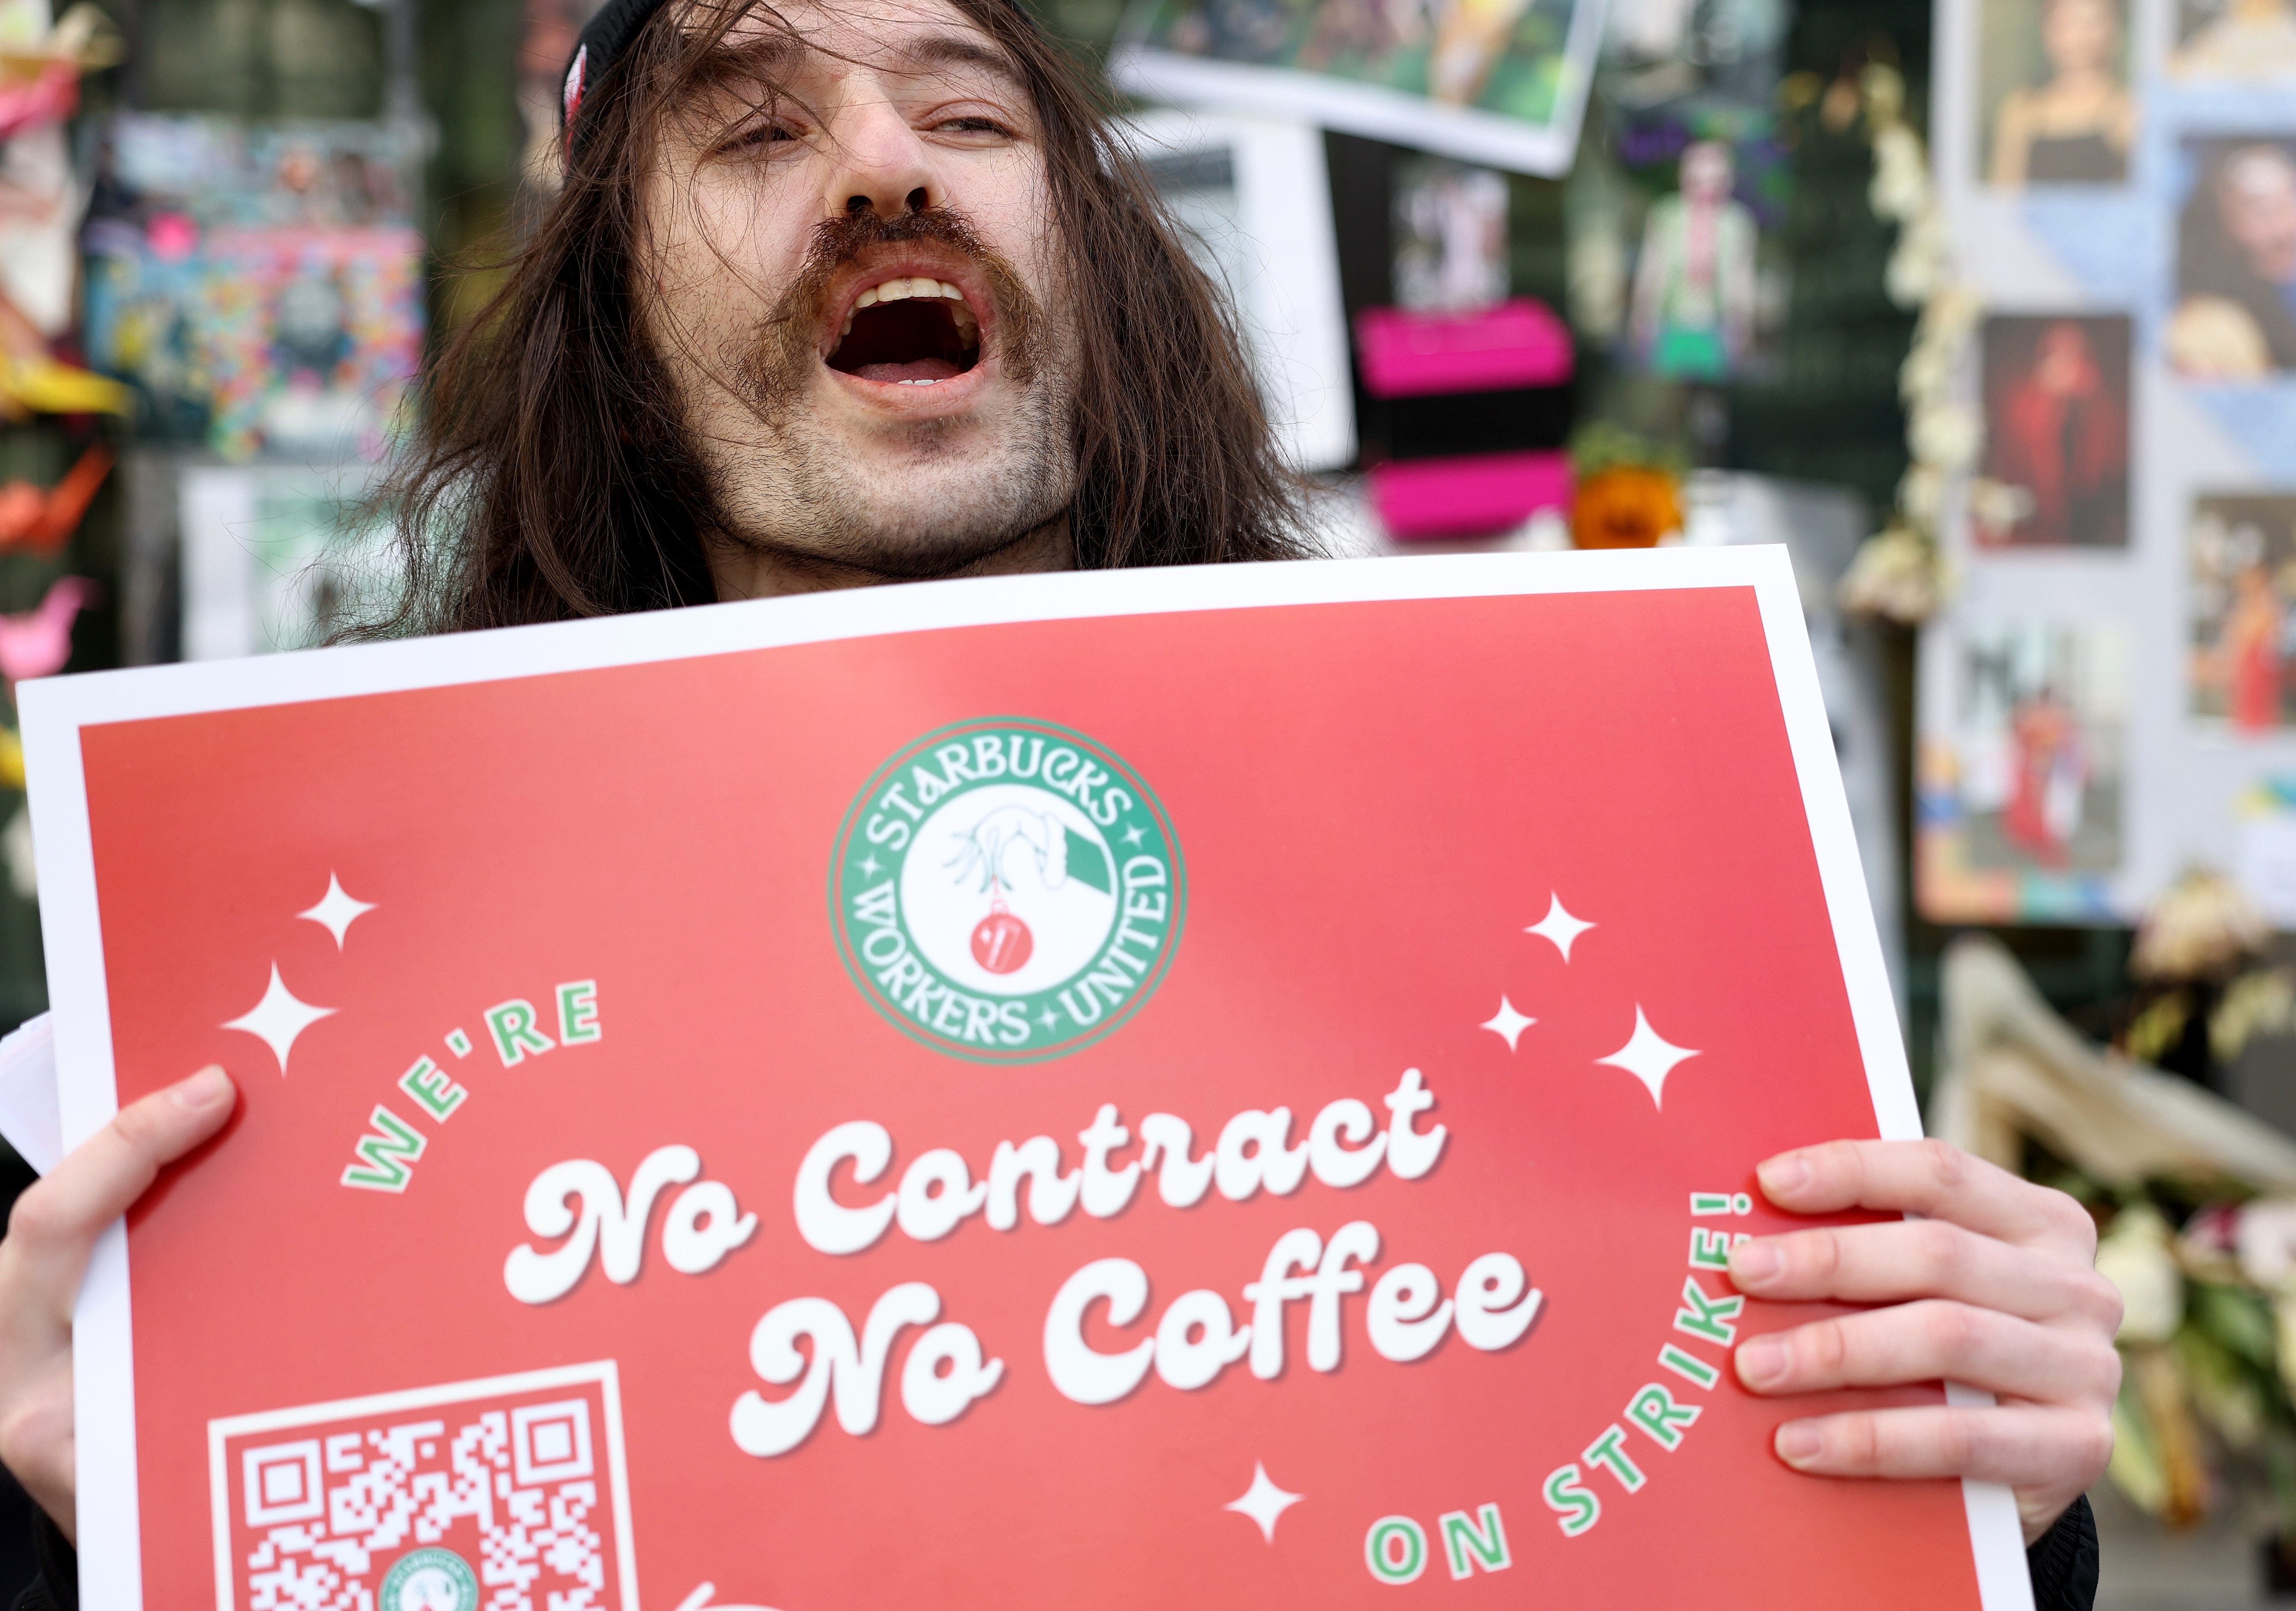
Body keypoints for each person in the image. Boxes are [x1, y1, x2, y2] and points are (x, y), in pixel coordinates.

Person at [0, 0, 2116, 1605]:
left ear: (1095, 269)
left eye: (971, 113)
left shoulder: (1504, 890)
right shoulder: (290, 1040)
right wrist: (104, 1548)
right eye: (748, 128)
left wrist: (1988, 1493)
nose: (876, 174)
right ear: (616, 335)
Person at [1982, 319, 2126, 547]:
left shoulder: (2100, 412)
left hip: (2085, 528)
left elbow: (2101, 474)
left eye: (2073, 358)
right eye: (2056, 356)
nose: (2064, 368)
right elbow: (2014, 465)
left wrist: (2081, 407)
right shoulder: (2022, 406)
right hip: (2032, 528)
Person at [2172, 142, 2296, 379]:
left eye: (2291, 203)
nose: (2284, 230)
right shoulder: (2204, 328)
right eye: (2261, 212)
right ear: (2223, 226)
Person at [1987, 0, 2134, 188]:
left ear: (2112, 27)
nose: (2077, 35)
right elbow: (2003, 199)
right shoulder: (2021, 111)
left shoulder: (2129, 110)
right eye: (2065, 21)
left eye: (2088, 21)